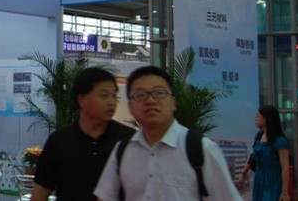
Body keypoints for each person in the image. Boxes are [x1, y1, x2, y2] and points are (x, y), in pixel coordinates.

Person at [93, 65, 241, 201]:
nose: (150, 100)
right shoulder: (122, 150)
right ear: (130, 107)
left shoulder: (202, 150)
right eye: (140, 95)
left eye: (159, 93)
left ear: (173, 102)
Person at [31, 67, 134, 201]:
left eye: (114, 96)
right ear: (82, 100)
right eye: (104, 95)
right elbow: (40, 193)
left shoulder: (127, 139)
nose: (111, 102)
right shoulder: (59, 141)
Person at [235, 105, 290, 201]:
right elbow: (253, 157)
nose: (255, 118)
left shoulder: (280, 141)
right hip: (259, 179)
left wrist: (284, 192)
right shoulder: (259, 137)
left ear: (266, 119)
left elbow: (285, 167)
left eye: (258, 116)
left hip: (273, 181)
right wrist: (243, 173)